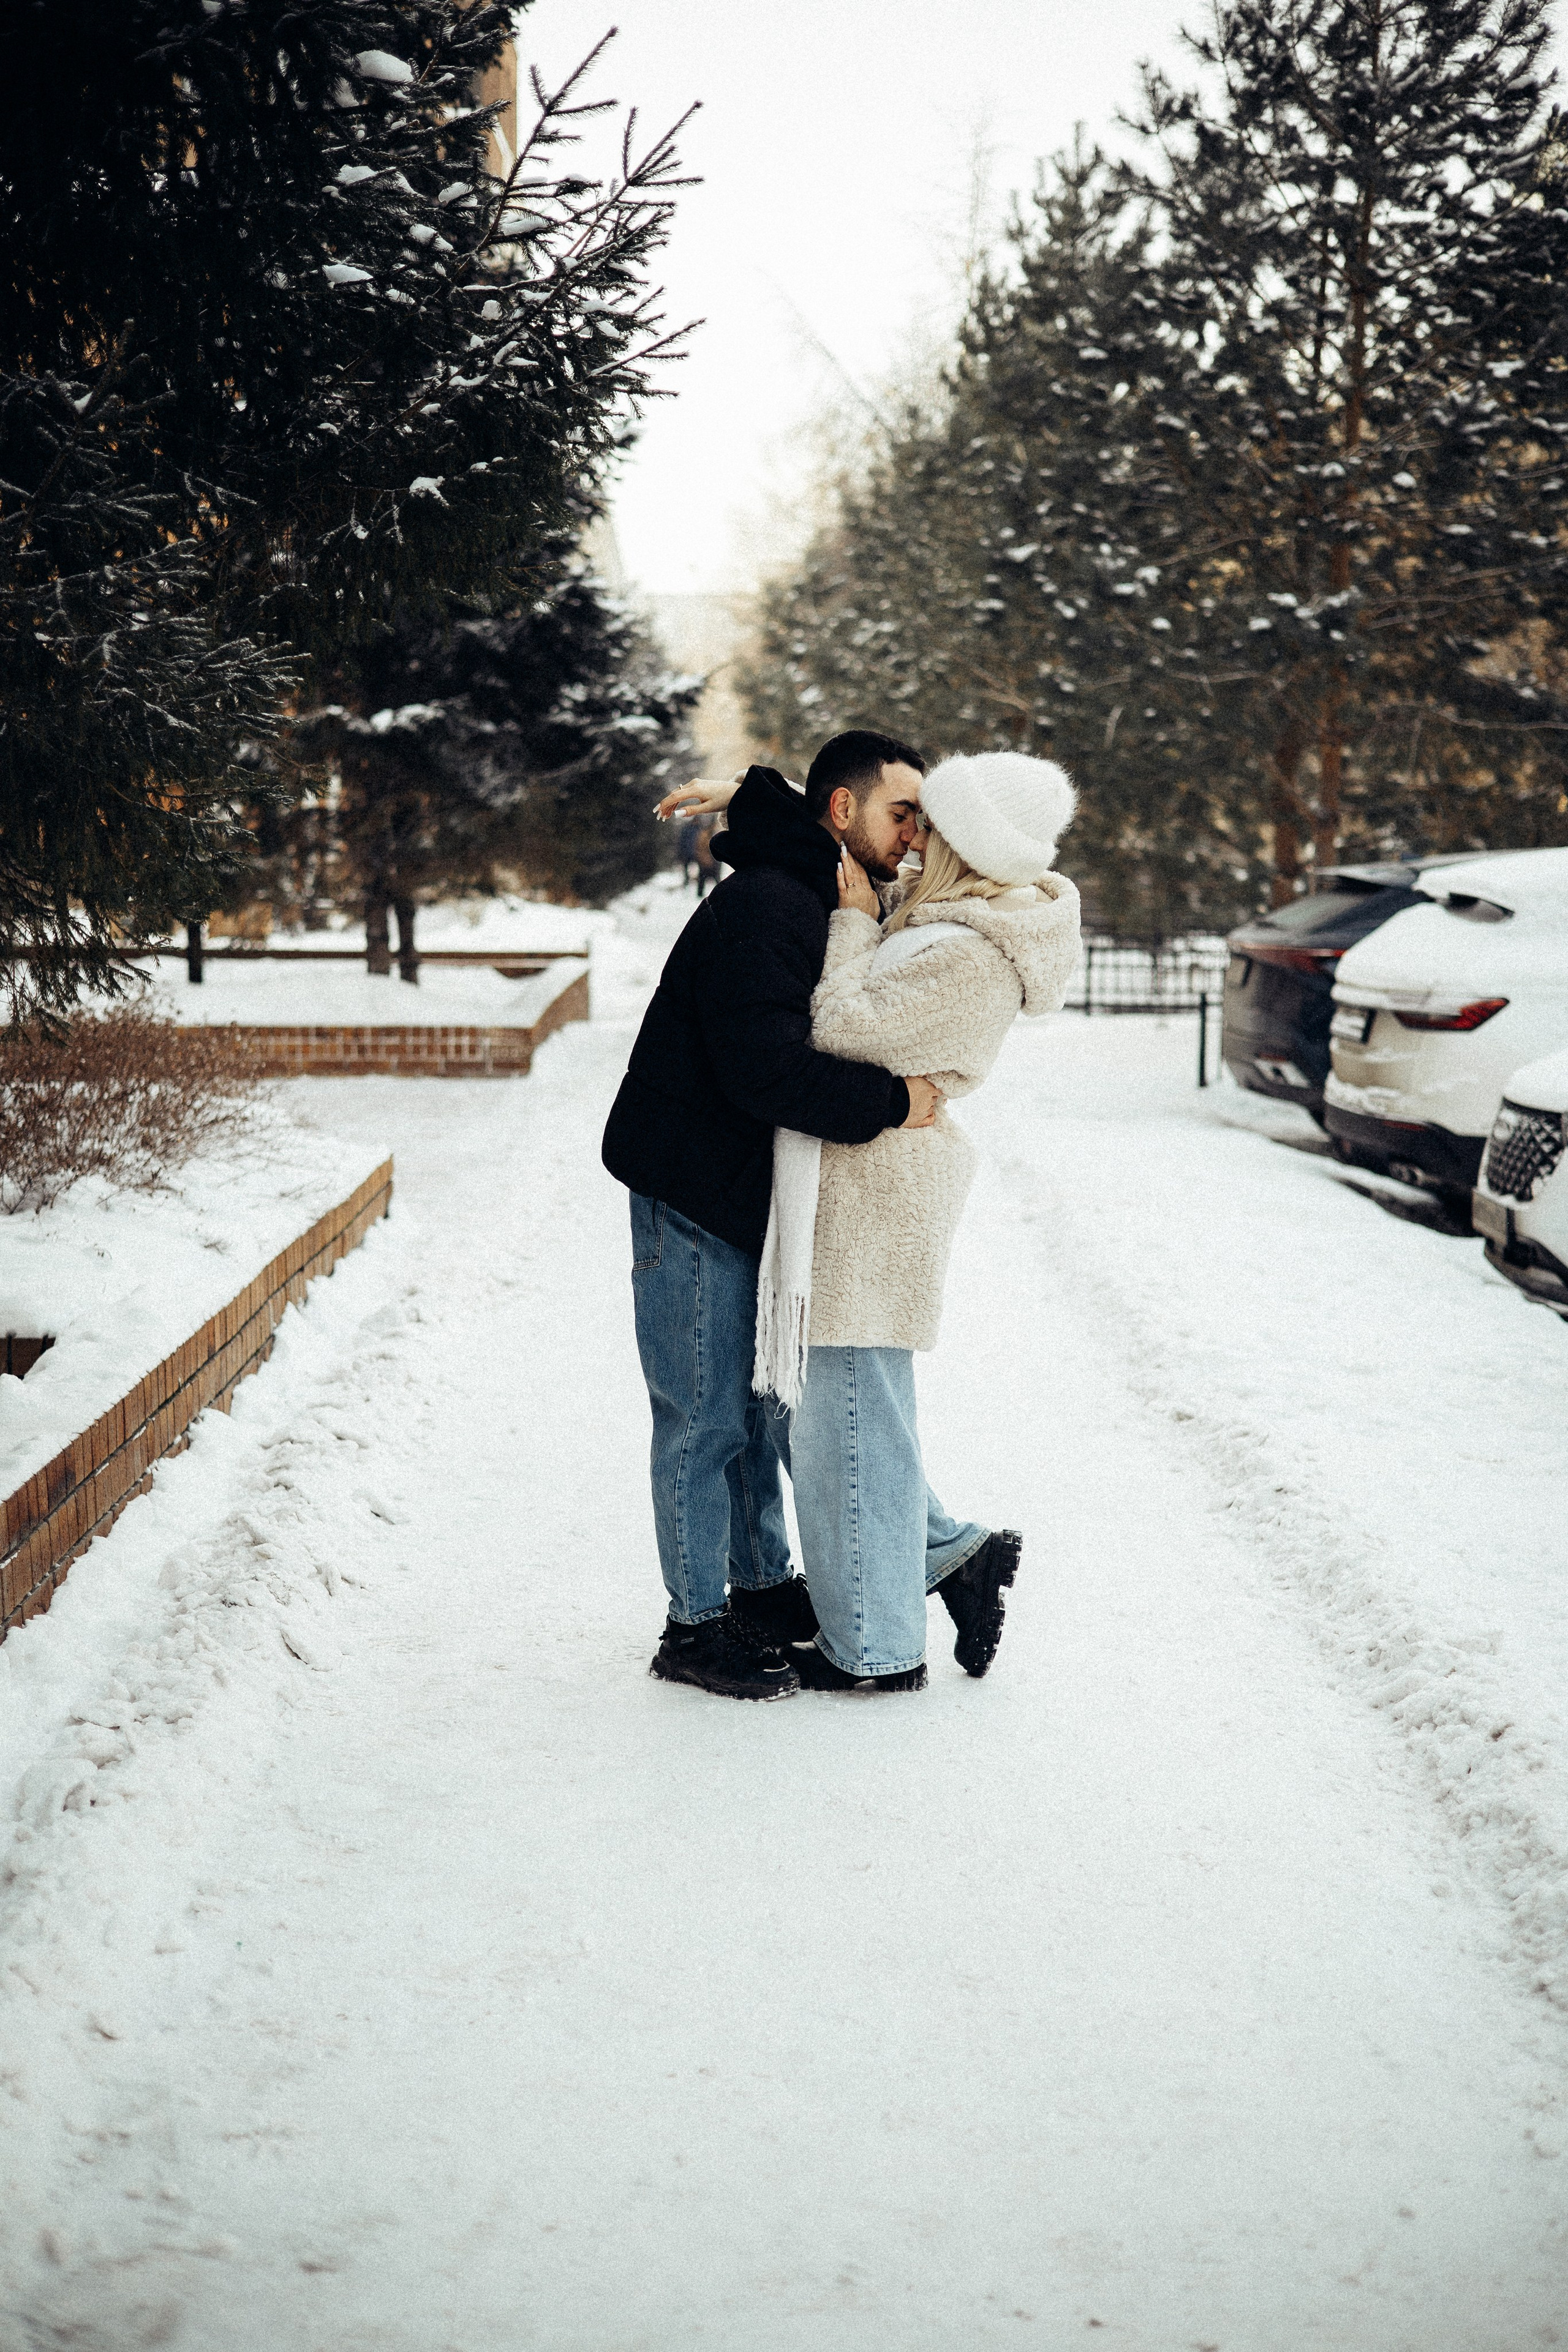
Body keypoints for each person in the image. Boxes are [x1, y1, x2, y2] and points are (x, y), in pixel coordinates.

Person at [601, 732, 945, 1701]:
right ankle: (693, 1625)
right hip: (694, 1190)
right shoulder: (767, 908)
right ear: (841, 814)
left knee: (755, 1412)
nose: (916, 835)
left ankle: (757, 1587)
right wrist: (894, 1102)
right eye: (901, 813)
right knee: (702, 1419)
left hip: (744, 1197)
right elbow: (767, 1073)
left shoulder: (816, 890)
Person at [752, 750, 1082, 1692]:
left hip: (876, 1206)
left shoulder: (969, 954)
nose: (914, 834)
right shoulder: (942, 924)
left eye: (930, 821)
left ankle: (877, 1652)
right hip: (859, 1192)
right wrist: (751, 793)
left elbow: (835, 1027)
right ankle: (950, 1555)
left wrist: (854, 926)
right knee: (830, 1419)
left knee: (847, 1422)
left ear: (968, 845)